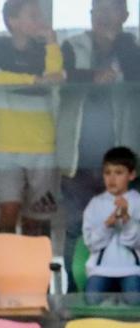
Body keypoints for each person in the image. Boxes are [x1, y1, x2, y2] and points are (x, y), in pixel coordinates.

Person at [0, 0, 68, 236]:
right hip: (6, 145)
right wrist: (34, 81)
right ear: (13, 21)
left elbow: (55, 76)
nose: (40, 20)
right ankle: (3, 270)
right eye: (33, 15)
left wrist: (52, 43)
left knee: (39, 218)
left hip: (42, 146)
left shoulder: (48, 48)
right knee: (8, 212)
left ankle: (38, 272)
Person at [61, 0, 140, 221]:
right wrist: (93, 77)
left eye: (110, 10)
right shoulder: (72, 46)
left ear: (125, 15)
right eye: (98, 10)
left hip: (122, 162)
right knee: (77, 229)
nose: (103, 16)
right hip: (78, 163)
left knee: (125, 229)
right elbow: (59, 77)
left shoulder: (133, 49)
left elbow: (135, 74)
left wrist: (118, 44)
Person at [83, 145, 140, 300]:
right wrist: (107, 225)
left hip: (133, 270)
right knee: (91, 300)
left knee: (135, 302)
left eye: (119, 173)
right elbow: (90, 243)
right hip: (101, 270)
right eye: (107, 173)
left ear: (132, 175)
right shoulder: (95, 204)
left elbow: (137, 243)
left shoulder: (137, 201)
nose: (112, 179)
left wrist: (127, 220)